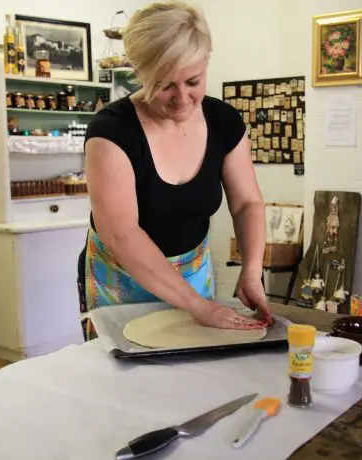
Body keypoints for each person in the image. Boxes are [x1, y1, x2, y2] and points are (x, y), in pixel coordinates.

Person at [77, 1, 273, 341]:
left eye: (193, 81)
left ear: (207, 62)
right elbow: (122, 234)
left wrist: (251, 271)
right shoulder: (111, 132)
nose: (182, 97)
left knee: (194, 381)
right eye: (165, 85)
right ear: (138, 72)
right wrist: (198, 307)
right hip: (123, 279)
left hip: (194, 273)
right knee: (126, 386)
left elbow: (247, 204)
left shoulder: (224, 122)